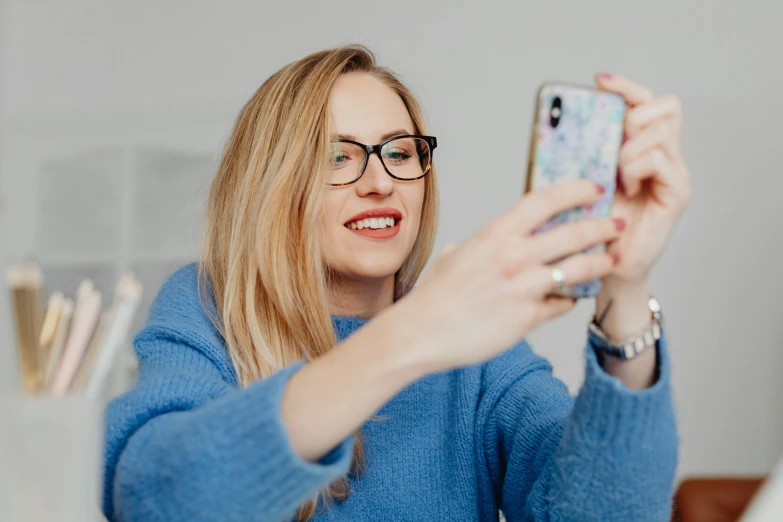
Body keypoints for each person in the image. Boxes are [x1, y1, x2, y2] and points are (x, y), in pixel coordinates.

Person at [103, 45, 691, 522]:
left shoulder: (478, 354)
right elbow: (157, 501)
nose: (381, 182)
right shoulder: (207, 310)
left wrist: (627, 283)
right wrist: (414, 334)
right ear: (271, 184)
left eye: (399, 152)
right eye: (337, 157)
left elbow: (604, 514)